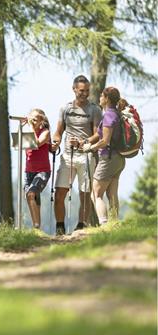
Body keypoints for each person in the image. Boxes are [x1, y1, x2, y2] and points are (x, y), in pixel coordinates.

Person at [51, 75, 102, 235]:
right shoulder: (65, 109)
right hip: (67, 156)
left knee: (85, 193)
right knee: (60, 192)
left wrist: (83, 142)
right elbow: (59, 132)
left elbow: (97, 135)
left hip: (86, 155)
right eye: (81, 90)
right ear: (74, 89)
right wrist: (55, 142)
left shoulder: (95, 109)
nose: (84, 93)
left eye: (87, 91)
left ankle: (81, 226)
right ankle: (60, 227)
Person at [82, 87, 125, 224]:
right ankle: (114, 223)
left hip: (108, 158)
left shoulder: (108, 115)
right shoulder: (117, 114)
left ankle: (105, 224)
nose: (99, 98)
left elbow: (105, 141)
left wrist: (90, 148)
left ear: (107, 99)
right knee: (112, 194)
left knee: (96, 194)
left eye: (101, 96)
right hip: (119, 159)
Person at [22, 109, 51, 229]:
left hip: (42, 171)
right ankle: (37, 227)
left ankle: (36, 226)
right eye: (31, 118)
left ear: (41, 121)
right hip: (29, 170)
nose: (33, 122)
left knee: (31, 194)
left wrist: (31, 128)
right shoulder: (26, 131)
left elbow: (36, 144)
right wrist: (23, 126)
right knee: (32, 198)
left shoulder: (45, 132)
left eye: (35, 119)